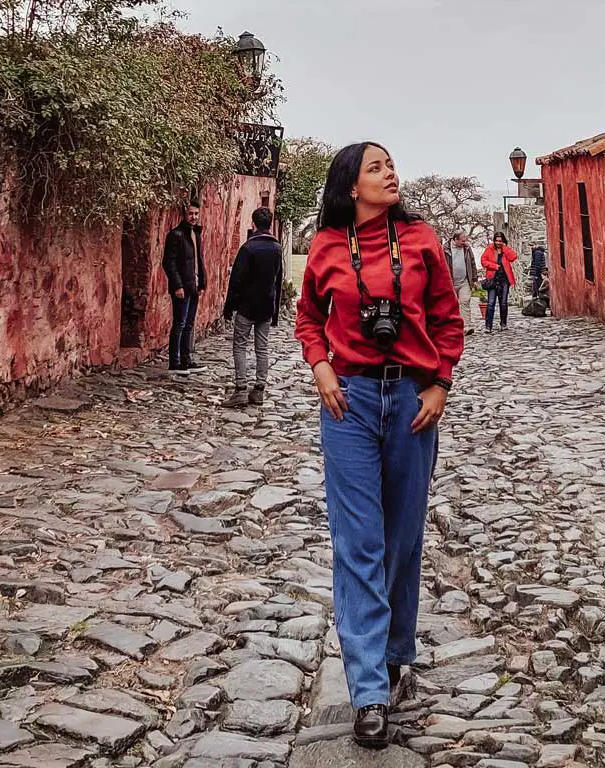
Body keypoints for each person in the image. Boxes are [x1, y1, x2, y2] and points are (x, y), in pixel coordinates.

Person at [295, 141, 464, 750]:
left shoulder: (420, 241)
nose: (390, 174)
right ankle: (368, 690)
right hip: (350, 404)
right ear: (349, 186)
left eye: (391, 165)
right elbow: (309, 318)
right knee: (358, 540)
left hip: (413, 405)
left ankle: (394, 653)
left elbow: (448, 320)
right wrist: (321, 368)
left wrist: (440, 383)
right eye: (376, 167)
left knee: (402, 538)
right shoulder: (325, 247)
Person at [222, 207, 284, 407]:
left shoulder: (248, 248)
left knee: (239, 345)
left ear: (253, 224)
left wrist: (229, 306)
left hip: (247, 305)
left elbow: (236, 280)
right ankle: (259, 389)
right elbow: (278, 280)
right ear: (270, 224)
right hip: (266, 305)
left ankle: (240, 388)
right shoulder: (276, 248)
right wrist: (275, 311)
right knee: (262, 347)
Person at [163, 203, 208, 373]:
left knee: (189, 324)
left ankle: (186, 359)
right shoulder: (176, 235)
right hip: (182, 287)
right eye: (190, 213)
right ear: (184, 214)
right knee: (179, 324)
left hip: (194, 286)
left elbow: (199, 261)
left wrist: (202, 283)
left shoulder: (196, 234)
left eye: (196, 214)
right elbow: (169, 262)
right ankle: (174, 362)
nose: (194, 217)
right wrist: (177, 285)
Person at [480, 232, 518, 331]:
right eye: (496, 240)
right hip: (493, 279)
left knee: (504, 303)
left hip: (504, 280)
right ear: (494, 240)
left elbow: (513, 257)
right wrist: (494, 266)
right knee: (491, 302)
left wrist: (504, 248)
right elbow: (483, 261)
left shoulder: (505, 250)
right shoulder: (489, 249)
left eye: (500, 241)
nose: (498, 242)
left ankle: (503, 323)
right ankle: (488, 326)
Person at [446, 231, 479, 336]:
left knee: (465, 301)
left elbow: (472, 263)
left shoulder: (467, 249)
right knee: (452, 305)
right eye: (462, 240)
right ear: (455, 240)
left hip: (464, 280)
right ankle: (453, 327)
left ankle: (467, 326)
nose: (465, 242)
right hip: (450, 282)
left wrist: (474, 279)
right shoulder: (445, 249)